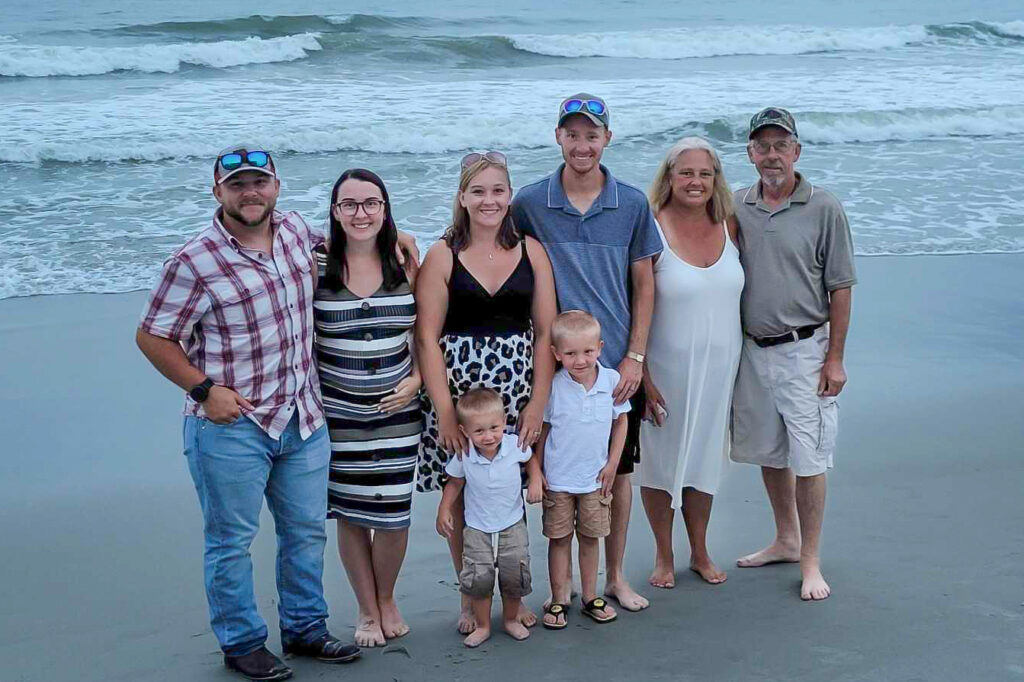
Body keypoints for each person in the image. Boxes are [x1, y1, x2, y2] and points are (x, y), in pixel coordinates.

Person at [136, 145, 360, 682]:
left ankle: (306, 628)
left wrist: (402, 239)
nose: (250, 192)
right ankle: (241, 642)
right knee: (231, 541)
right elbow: (152, 336)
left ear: (276, 186)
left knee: (305, 531)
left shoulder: (296, 233)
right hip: (231, 426)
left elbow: (352, 245)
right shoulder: (193, 261)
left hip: (303, 418)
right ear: (218, 193)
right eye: (237, 185)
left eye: (259, 182)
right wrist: (203, 389)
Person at [510, 94, 661, 612]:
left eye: (591, 135)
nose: (582, 144)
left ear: (607, 140)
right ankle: (555, 588)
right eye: (572, 134)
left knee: (614, 475)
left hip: (614, 367)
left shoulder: (633, 203)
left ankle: (613, 578)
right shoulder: (530, 202)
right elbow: (481, 234)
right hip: (553, 367)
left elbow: (644, 284)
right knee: (553, 470)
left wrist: (635, 357)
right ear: (558, 137)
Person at [415, 151, 558, 633]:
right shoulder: (442, 255)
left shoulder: (531, 251)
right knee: (463, 499)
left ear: (509, 195)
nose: (489, 200)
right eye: (478, 191)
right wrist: (444, 411)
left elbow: (545, 331)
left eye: (498, 190)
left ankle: (513, 599)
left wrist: (538, 402)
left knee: (511, 495)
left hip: (517, 394)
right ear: (462, 197)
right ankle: (470, 596)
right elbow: (427, 338)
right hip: (459, 394)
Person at [730, 108, 856, 601]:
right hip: (753, 351)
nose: (772, 155)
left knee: (809, 458)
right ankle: (785, 538)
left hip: (807, 349)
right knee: (770, 451)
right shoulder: (738, 205)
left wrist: (836, 359)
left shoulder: (823, 206)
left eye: (781, 145)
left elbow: (841, 288)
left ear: (797, 151)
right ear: (750, 154)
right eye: (762, 147)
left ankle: (811, 562)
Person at [313, 168, 422, 647]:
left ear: (385, 208)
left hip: (399, 415)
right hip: (337, 416)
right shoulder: (314, 267)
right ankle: (366, 607)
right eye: (350, 204)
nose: (361, 213)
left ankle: (388, 598)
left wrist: (417, 380)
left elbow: (424, 334)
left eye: (371, 203)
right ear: (335, 212)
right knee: (353, 514)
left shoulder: (406, 262)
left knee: (394, 513)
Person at [638, 137, 744, 588]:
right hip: (666, 369)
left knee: (703, 460)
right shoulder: (651, 227)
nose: (695, 181)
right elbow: (633, 304)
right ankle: (664, 555)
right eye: (686, 172)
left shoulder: (729, 225)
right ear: (669, 178)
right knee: (660, 464)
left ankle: (699, 549)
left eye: (705, 173)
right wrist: (640, 374)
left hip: (722, 369)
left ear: (716, 180)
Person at [537, 310, 630, 628]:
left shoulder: (611, 380)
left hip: (595, 479)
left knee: (591, 538)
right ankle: (560, 597)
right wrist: (537, 470)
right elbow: (544, 430)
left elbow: (621, 422)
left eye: (588, 351)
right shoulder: (552, 386)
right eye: (571, 353)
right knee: (559, 539)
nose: (580, 360)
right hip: (559, 480)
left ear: (600, 347)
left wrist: (613, 464)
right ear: (556, 354)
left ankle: (591, 596)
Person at [435, 388, 543, 648]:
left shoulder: (514, 444)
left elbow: (531, 460)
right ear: (464, 431)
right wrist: (444, 509)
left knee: (514, 572)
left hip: (512, 523)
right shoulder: (465, 454)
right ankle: (483, 625)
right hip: (477, 527)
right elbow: (454, 483)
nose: (488, 436)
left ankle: (510, 618)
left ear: (504, 422)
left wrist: (537, 480)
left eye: (494, 427)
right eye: (479, 431)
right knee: (479, 577)